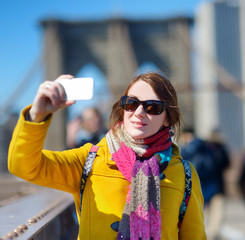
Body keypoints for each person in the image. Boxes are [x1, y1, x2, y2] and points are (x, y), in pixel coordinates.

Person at [8, 73, 206, 240]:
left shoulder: (184, 174)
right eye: (131, 103)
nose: (138, 112)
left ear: (167, 118)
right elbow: (24, 165)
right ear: (122, 109)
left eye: (152, 107)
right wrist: (37, 114)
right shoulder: (89, 160)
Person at [180, 128, 227, 240]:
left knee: (201, 210)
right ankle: (212, 233)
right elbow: (224, 163)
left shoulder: (190, 148)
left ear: (186, 135)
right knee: (215, 209)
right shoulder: (211, 147)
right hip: (215, 182)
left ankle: (206, 233)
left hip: (197, 183)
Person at [204, 130, 230, 240]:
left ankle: (206, 231)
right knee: (218, 208)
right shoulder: (221, 148)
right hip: (218, 183)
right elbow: (227, 164)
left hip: (203, 184)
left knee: (205, 209)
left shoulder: (204, 148)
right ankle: (213, 232)